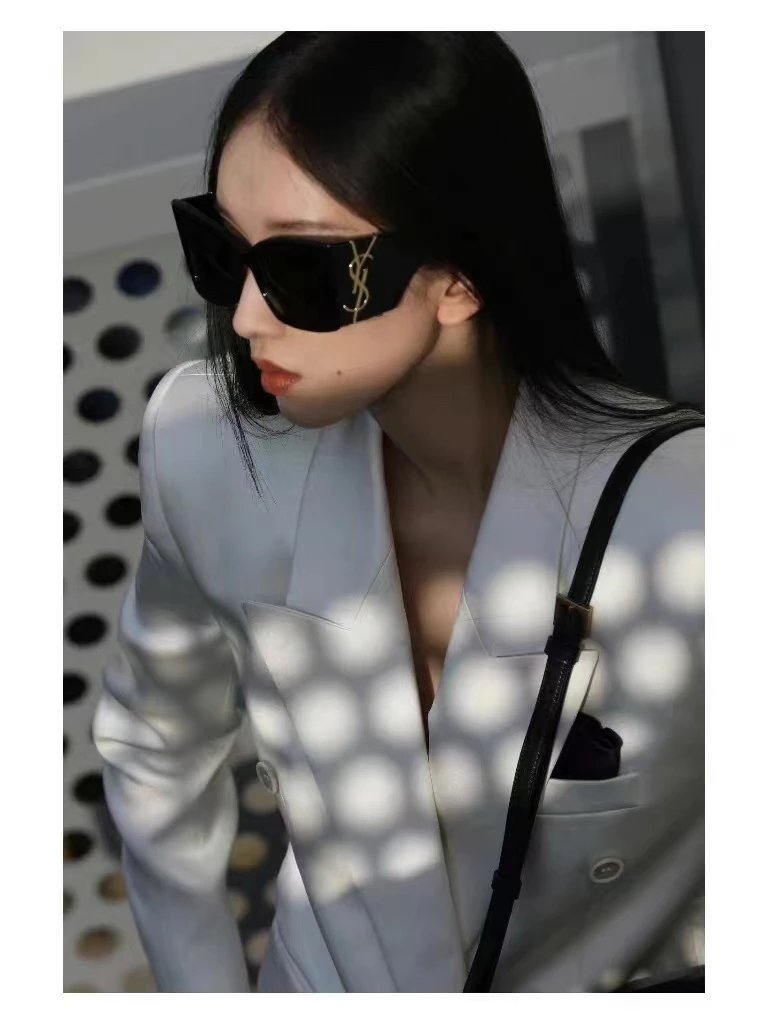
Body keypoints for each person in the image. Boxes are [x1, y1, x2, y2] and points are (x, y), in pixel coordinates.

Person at [91, 32, 704, 992]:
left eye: (303, 270)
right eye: (221, 250)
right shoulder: (207, 450)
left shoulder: (694, 525)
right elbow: (153, 744)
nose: (246, 317)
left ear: (459, 277)